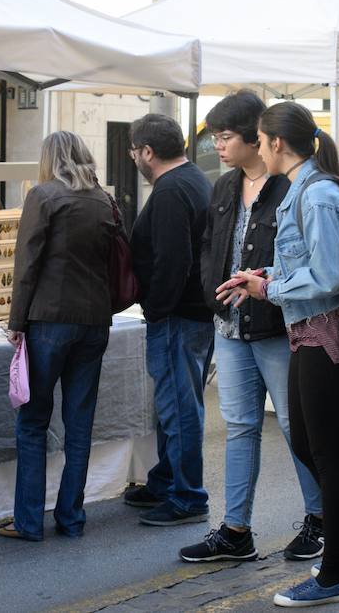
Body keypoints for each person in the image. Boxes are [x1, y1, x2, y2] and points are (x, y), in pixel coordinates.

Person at [217, 102, 339, 607]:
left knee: (325, 453)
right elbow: (315, 264)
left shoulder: (317, 195)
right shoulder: (308, 190)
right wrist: (265, 279)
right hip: (307, 330)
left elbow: (331, 276)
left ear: (277, 144)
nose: (260, 149)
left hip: (324, 332)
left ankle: (333, 576)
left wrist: (270, 289)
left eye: (263, 141)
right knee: (313, 447)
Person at [179, 90, 324, 564]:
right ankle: (236, 530)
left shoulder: (291, 184)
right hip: (230, 326)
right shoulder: (222, 187)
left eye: (225, 138)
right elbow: (207, 244)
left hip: (278, 325)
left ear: (254, 138)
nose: (218, 147)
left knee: (294, 426)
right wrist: (211, 292)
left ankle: (320, 521)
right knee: (239, 427)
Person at [0, 131, 117, 541]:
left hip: (49, 320)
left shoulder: (44, 196)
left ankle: (29, 521)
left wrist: (16, 321)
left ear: (50, 159)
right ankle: (71, 517)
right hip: (95, 321)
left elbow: (26, 263)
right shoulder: (104, 200)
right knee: (79, 425)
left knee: (32, 421)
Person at [123, 114, 215, 526]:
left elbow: (174, 261)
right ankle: (166, 480)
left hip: (179, 316)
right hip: (192, 313)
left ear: (147, 151)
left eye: (133, 151)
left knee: (179, 408)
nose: (133, 159)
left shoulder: (171, 190)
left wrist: (156, 308)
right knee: (174, 406)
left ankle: (188, 497)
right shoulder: (194, 178)